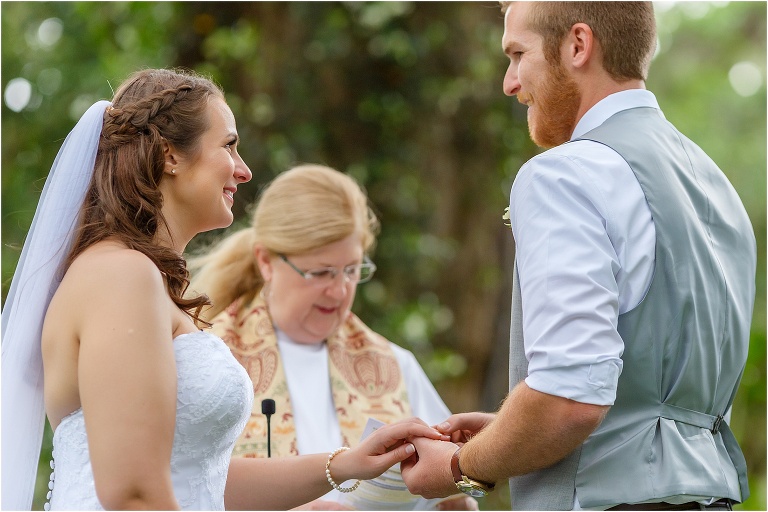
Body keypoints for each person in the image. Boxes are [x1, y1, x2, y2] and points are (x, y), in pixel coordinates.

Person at [0, 68, 447, 511]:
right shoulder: (121, 275)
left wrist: (344, 464)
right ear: (169, 155)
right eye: (230, 145)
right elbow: (133, 495)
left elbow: (202, 482)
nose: (245, 170)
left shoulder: (138, 278)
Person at [400, 2, 756, 510]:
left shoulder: (565, 173)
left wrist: (460, 467)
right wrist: (507, 433)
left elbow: (569, 400)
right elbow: (645, 397)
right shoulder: (714, 183)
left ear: (577, 45)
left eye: (518, 53)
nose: (509, 82)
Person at [188, 164, 477, 511]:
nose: (340, 290)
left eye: (352, 271)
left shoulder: (394, 366)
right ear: (266, 260)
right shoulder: (204, 359)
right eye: (321, 272)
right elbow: (172, 490)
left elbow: (454, 501)